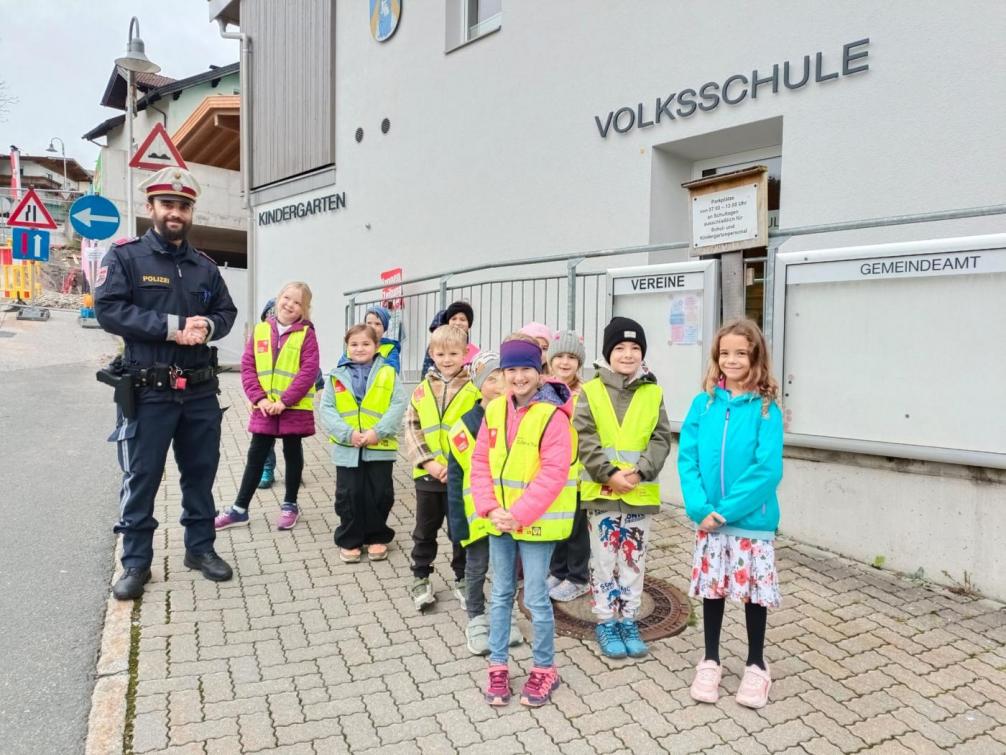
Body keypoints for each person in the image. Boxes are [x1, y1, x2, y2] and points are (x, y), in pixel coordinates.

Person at [94, 166, 237, 601]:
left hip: (198, 392)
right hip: (149, 391)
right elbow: (109, 310)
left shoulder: (204, 267)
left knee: (200, 474)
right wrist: (174, 327)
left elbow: (227, 313)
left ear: (191, 211)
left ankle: (200, 549)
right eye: (168, 204)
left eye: (183, 206)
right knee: (142, 477)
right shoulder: (125, 257)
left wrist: (207, 328)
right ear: (151, 208)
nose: (175, 212)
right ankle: (136, 563)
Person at [679, 319, 783, 710]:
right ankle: (710, 659)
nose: (732, 359)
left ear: (755, 356)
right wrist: (700, 508)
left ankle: (756, 664)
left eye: (741, 352)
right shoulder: (702, 404)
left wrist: (724, 512)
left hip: (750, 524)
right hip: (709, 522)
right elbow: (688, 457)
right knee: (713, 591)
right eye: (725, 353)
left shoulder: (767, 409)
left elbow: (767, 469)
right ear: (716, 357)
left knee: (754, 595)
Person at [472, 334, 577, 708]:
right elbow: (480, 461)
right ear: (502, 374)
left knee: (534, 596)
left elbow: (553, 473)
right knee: (500, 593)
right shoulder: (495, 409)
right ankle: (498, 665)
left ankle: (544, 669)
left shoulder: (553, 416)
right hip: (499, 521)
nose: (519, 377)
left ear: (539, 371)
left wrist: (516, 514)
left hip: (534, 524)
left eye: (526, 369)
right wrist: (488, 507)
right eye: (511, 369)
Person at [575, 316, 671, 659]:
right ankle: (605, 621)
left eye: (635, 348)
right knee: (603, 561)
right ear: (608, 353)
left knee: (633, 561)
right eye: (620, 347)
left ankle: (628, 620)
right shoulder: (591, 390)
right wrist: (608, 474)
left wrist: (641, 472)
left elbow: (660, 438)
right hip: (602, 492)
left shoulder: (653, 391)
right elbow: (584, 437)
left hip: (638, 493)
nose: (628, 354)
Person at [215, 282, 319, 532]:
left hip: (292, 408)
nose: (290, 305)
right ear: (277, 298)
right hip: (264, 407)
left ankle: (290, 504)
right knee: (256, 456)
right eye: (286, 298)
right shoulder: (261, 330)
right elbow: (248, 367)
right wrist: (260, 399)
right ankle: (240, 509)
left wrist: (284, 401)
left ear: (304, 309)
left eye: (297, 303)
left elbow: (309, 371)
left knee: (293, 454)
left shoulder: (307, 334)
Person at [445, 351, 523, 655]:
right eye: (490, 378)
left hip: (509, 513)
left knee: (506, 569)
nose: (499, 383)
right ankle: (476, 618)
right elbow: (455, 479)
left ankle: (505, 617)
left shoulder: (518, 417)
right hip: (477, 515)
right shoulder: (464, 426)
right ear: (478, 384)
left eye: (502, 376)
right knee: (476, 569)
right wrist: (456, 522)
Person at [405, 324, 481, 610]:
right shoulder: (421, 391)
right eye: (440, 353)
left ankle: (463, 578)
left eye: (453, 353)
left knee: (460, 530)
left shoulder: (474, 390)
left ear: (465, 354)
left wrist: (455, 466)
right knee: (425, 529)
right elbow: (412, 428)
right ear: (431, 354)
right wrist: (428, 462)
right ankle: (421, 576)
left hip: (460, 476)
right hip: (428, 474)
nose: (447, 359)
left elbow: (479, 432)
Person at [320, 323, 407, 561]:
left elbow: (398, 405)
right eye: (354, 344)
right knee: (349, 494)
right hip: (347, 447)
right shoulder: (336, 376)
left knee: (380, 493)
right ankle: (350, 538)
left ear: (377, 346)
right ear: (347, 347)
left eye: (365, 344)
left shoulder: (388, 373)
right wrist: (347, 433)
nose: (359, 349)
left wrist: (378, 432)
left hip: (380, 446)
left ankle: (377, 536)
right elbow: (327, 409)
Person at [544, 331, 591, 602]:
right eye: (559, 356)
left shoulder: (585, 393)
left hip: (576, 472)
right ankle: (558, 570)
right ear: (550, 360)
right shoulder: (542, 389)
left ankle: (578, 577)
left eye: (571, 357)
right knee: (557, 525)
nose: (564, 362)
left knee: (575, 528)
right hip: (551, 472)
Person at [363, 304, 403, 373]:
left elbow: (392, 372)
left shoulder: (390, 350)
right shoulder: (355, 346)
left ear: (384, 328)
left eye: (377, 324)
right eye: (369, 323)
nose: (372, 327)